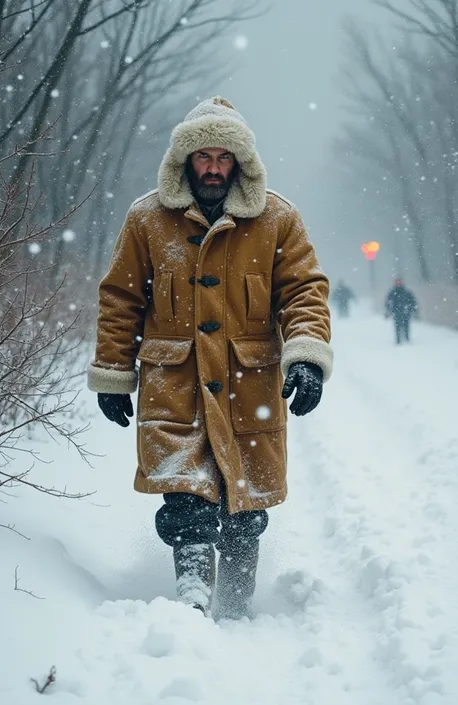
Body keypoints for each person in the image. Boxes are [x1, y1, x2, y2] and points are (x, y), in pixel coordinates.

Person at [88, 96, 333, 619]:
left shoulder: (277, 219)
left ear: (241, 162)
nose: (215, 167)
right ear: (186, 161)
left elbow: (304, 293)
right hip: (175, 387)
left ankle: (238, 603)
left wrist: (307, 357)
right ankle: (193, 604)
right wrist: (113, 372)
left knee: (244, 507)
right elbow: (122, 298)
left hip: (250, 389)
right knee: (185, 503)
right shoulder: (147, 219)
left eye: (225, 157)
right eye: (204, 157)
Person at [385, 278, 419, 344]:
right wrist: (388, 311)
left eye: (399, 282)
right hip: (396, 312)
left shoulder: (407, 292)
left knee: (406, 326)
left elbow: (413, 301)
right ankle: (398, 340)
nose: (398, 283)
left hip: (406, 312)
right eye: (397, 282)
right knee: (397, 326)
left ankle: (407, 339)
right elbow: (388, 302)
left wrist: (415, 311)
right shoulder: (392, 292)